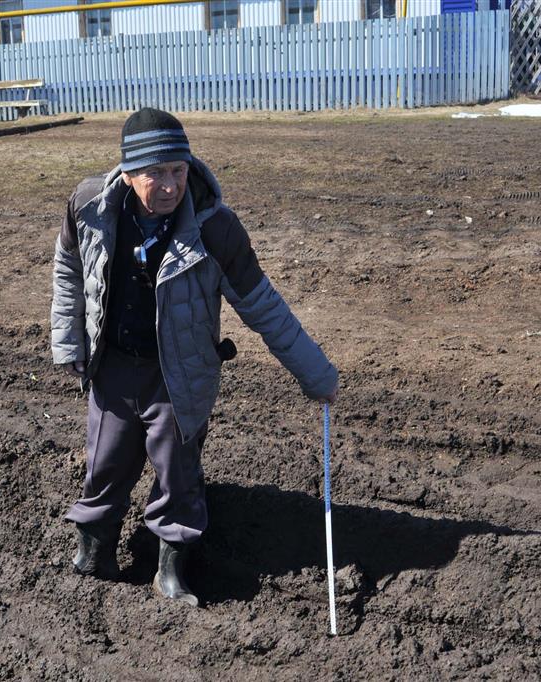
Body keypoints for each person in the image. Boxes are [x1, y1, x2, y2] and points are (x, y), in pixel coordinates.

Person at [51, 108, 338, 607]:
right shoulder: (90, 206)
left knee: (177, 470)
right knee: (106, 461)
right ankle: (94, 551)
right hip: (115, 364)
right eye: (155, 173)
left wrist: (316, 375)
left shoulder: (216, 229)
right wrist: (69, 343)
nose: (169, 186)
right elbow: (69, 270)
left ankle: (172, 569)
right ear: (127, 173)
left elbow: (263, 306)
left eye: (178, 171)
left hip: (179, 374)